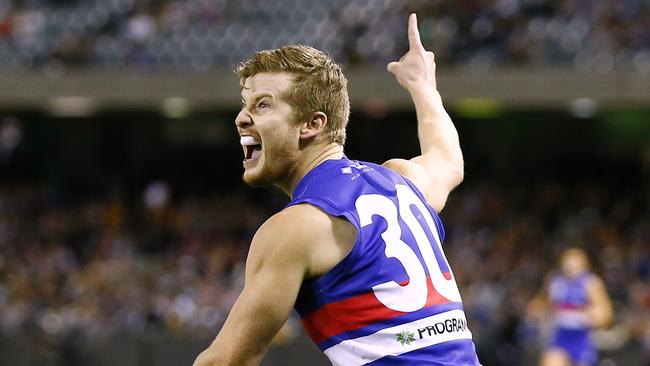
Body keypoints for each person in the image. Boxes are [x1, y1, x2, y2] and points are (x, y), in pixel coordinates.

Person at [194, 14, 481, 365]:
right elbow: (448, 160)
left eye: (263, 104)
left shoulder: (298, 227)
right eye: (245, 104)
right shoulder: (401, 181)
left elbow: (226, 362)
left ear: (312, 124)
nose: (241, 118)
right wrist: (422, 85)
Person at [528, 247, 613, 366]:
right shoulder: (555, 281)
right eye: (567, 264)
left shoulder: (591, 283)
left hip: (581, 339)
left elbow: (606, 313)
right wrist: (536, 310)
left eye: (575, 265)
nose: (570, 268)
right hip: (560, 337)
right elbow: (541, 302)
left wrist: (594, 315)